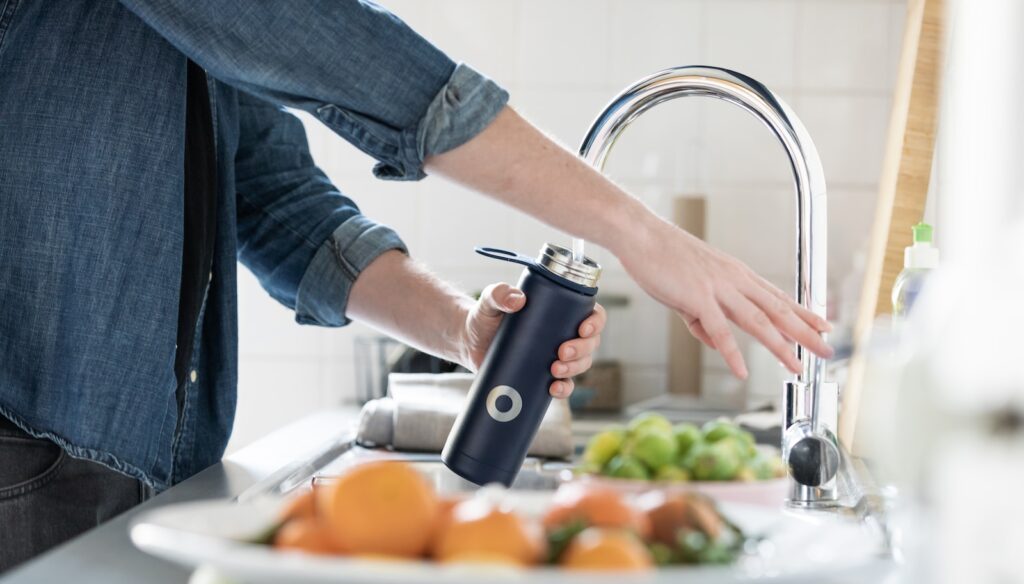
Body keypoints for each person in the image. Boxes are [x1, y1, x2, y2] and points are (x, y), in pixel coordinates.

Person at [0, 0, 832, 572]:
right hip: (21, 454)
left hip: (133, 464)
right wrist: (640, 234)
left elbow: (275, 199)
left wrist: (461, 329)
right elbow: (346, 56)